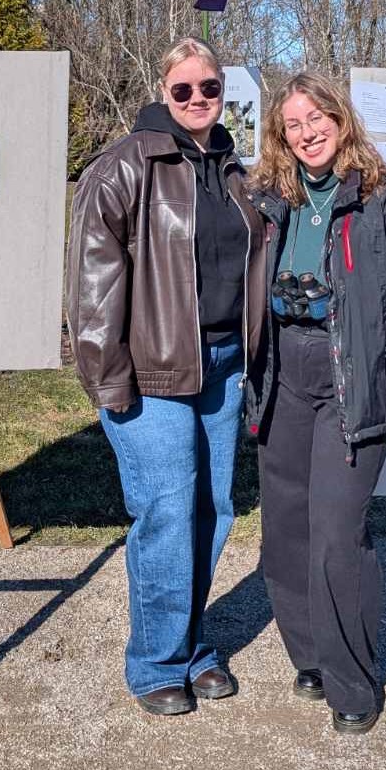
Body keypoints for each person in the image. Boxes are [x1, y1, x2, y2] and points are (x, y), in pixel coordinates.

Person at [245, 72, 386, 734]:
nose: (307, 133)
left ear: (340, 121)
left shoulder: (379, 200)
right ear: (280, 136)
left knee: (337, 533)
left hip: (350, 381)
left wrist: (378, 336)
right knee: (286, 528)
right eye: (293, 124)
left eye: (317, 118)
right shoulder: (269, 199)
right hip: (282, 371)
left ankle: (352, 682)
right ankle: (310, 656)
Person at [65, 38, 265, 716]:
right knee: (167, 513)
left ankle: (192, 647)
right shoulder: (124, 166)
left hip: (223, 366)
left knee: (213, 511)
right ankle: (155, 662)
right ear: (162, 91)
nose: (197, 99)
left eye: (208, 87)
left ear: (222, 91)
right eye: (183, 89)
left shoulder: (233, 170)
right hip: (152, 370)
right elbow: (92, 285)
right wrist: (107, 377)